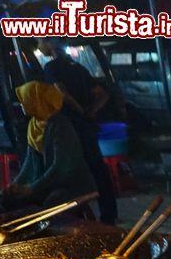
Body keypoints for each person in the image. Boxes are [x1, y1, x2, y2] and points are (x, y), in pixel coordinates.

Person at [36, 38, 118, 224]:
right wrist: (91, 112)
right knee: (97, 168)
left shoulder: (51, 67)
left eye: (40, 41)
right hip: (86, 125)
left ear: (50, 43)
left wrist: (80, 112)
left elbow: (62, 92)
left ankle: (76, 217)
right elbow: (103, 94)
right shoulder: (78, 67)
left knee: (73, 171)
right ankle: (109, 214)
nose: (38, 45)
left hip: (71, 125)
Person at [3, 82, 96, 210]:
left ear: (36, 101)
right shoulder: (34, 125)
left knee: (50, 203)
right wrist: (15, 185)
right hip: (50, 182)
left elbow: (60, 167)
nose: (21, 104)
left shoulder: (59, 125)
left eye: (25, 99)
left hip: (71, 183)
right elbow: (30, 163)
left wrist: (32, 188)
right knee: (8, 199)